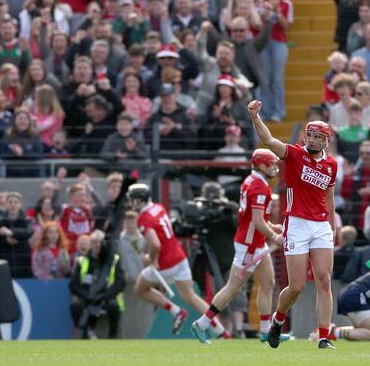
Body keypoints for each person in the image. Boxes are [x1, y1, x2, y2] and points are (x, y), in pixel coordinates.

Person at [248, 100, 338, 349]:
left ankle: (323, 337)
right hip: (296, 223)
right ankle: (278, 318)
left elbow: (328, 200)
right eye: (309, 135)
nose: (311, 139)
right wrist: (256, 118)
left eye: (317, 137)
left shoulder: (331, 164)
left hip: (320, 225)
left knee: (324, 279)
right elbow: (269, 141)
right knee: (296, 286)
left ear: (326, 141)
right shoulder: (295, 154)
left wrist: (331, 227)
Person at [191, 149, 287, 344]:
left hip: (254, 241)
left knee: (268, 283)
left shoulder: (251, 181)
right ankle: (202, 323)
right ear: (261, 165)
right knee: (233, 288)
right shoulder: (259, 186)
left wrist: (272, 226)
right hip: (249, 245)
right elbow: (257, 221)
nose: (275, 168)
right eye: (271, 164)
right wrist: (275, 236)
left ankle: (265, 331)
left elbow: (255, 219)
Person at [129, 183, 223, 336]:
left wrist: (150, 258)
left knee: (140, 288)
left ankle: (175, 311)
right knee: (190, 296)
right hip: (179, 256)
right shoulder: (158, 207)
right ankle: (220, 329)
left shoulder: (144, 219)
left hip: (166, 262)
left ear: (139, 200)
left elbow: (155, 244)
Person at [69, 230, 125, 340]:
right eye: (94, 242)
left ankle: (113, 337)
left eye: (101, 242)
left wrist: (105, 295)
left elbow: (120, 282)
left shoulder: (114, 260)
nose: (98, 245)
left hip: (107, 296)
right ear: (90, 243)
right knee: (75, 305)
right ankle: (84, 335)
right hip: (87, 296)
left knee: (113, 307)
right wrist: (88, 295)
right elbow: (73, 285)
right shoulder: (82, 260)